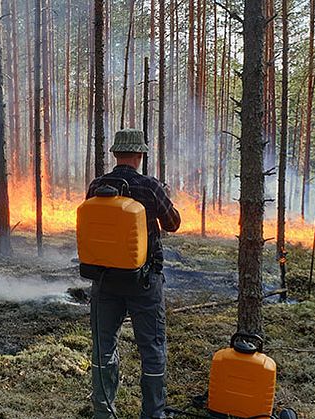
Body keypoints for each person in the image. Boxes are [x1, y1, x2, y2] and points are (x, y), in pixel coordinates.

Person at [86, 129, 181, 419]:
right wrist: (166, 196)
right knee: (151, 348)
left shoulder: (96, 186)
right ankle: (153, 414)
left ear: (116, 154)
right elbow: (173, 223)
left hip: (104, 280)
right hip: (144, 281)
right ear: (139, 155)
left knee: (103, 347)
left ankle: (104, 412)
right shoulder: (150, 188)